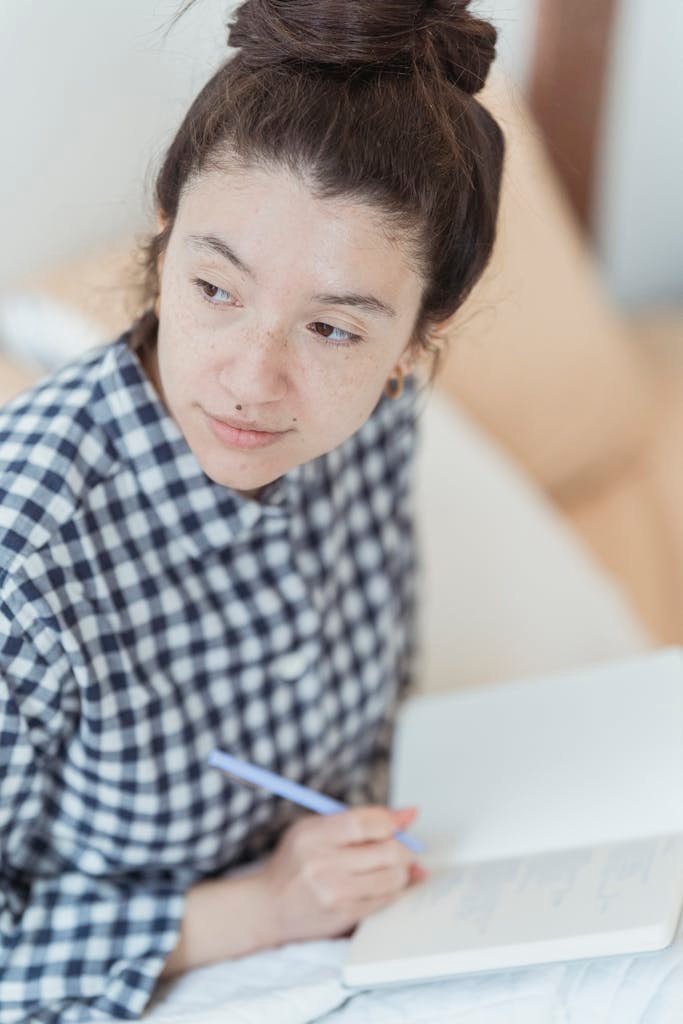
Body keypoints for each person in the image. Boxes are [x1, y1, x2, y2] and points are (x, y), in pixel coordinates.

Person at [0, 1, 504, 1020]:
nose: (250, 381)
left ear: (412, 341)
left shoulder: (376, 423)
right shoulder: (30, 551)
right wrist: (261, 910)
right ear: (162, 240)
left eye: (328, 328)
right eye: (215, 289)